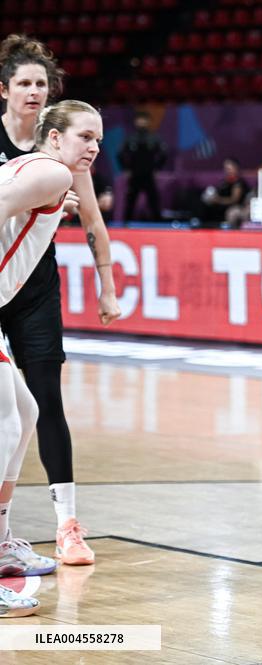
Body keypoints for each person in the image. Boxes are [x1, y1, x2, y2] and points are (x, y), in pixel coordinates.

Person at [0, 35, 120, 569]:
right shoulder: (49, 170)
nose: (94, 148)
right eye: (86, 137)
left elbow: (91, 222)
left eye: (99, 138)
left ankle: (12, 540)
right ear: (56, 136)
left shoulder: (54, 171)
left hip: (31, 290)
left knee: (27, 410)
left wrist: (106, 283)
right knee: (12, 418)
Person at [117, 110, 167, 221]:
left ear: (148, 122)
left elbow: (164, 154)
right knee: (131, 199)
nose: (142, 123)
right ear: (136, 122)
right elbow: (120, 154)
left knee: (153, 200)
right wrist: (126, 168)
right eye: (140, 120)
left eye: (144, 120)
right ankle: (126, 223)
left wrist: (157, 168)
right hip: (134, 174)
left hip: (149, 174)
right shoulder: (131, 138)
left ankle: (158, 223)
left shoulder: (153, 138)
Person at [199, 157, 247, 228]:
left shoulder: (238, 183)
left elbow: (234, 200)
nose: (227, 171)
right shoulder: (224, 182)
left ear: (236, 168)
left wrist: (218, 200)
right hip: (220, 207)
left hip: (234, 208)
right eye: (226, 169)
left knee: (232, 213)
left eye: (229, 169)